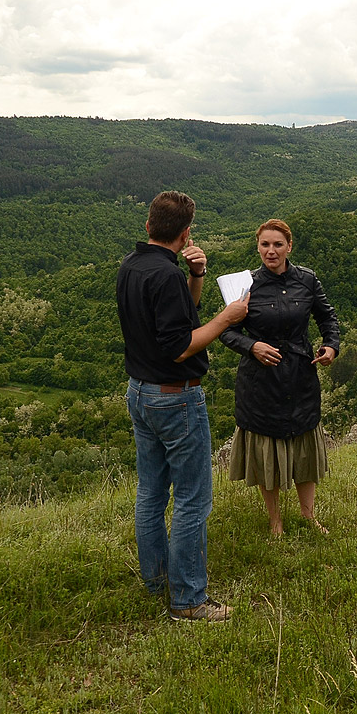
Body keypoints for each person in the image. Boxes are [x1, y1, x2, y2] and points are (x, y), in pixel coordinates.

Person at [117, 190, 249, 622]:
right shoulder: (163, 276)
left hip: (140, 392)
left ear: (149, 226)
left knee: (151, 492)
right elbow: (179, 345)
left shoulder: (133, 266)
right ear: (186, 231)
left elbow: (178, 315)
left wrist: (197, 276)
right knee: (193, 499)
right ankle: (188, 600)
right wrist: (227, 319)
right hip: (176, 397)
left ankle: (156, 579)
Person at [220, 219, 340, 536]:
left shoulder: (307, 280)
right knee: (266, 449)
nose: (270, 251)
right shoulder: (243, 285)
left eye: (277, 244)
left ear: (289, 246)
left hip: (300, 375)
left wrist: (331, 346)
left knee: (303, 445)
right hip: (261, 380)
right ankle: (275, 521)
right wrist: (252, 346)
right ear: (257, 247)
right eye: (264, 245)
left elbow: (327, 316)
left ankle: (308, 515)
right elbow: (225, 330)